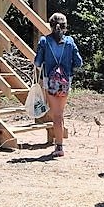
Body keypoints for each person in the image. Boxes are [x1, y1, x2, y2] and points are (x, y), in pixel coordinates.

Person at [33, 12, 83, 157]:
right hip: (65, 82)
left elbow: (37, 62)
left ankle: (59, 146)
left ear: (50, 25)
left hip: (50, 82)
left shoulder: (44, 41)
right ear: (65, 26)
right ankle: (59, 143)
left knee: (56, 115)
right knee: (60, 113)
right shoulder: (70, 41)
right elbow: (79, 62)